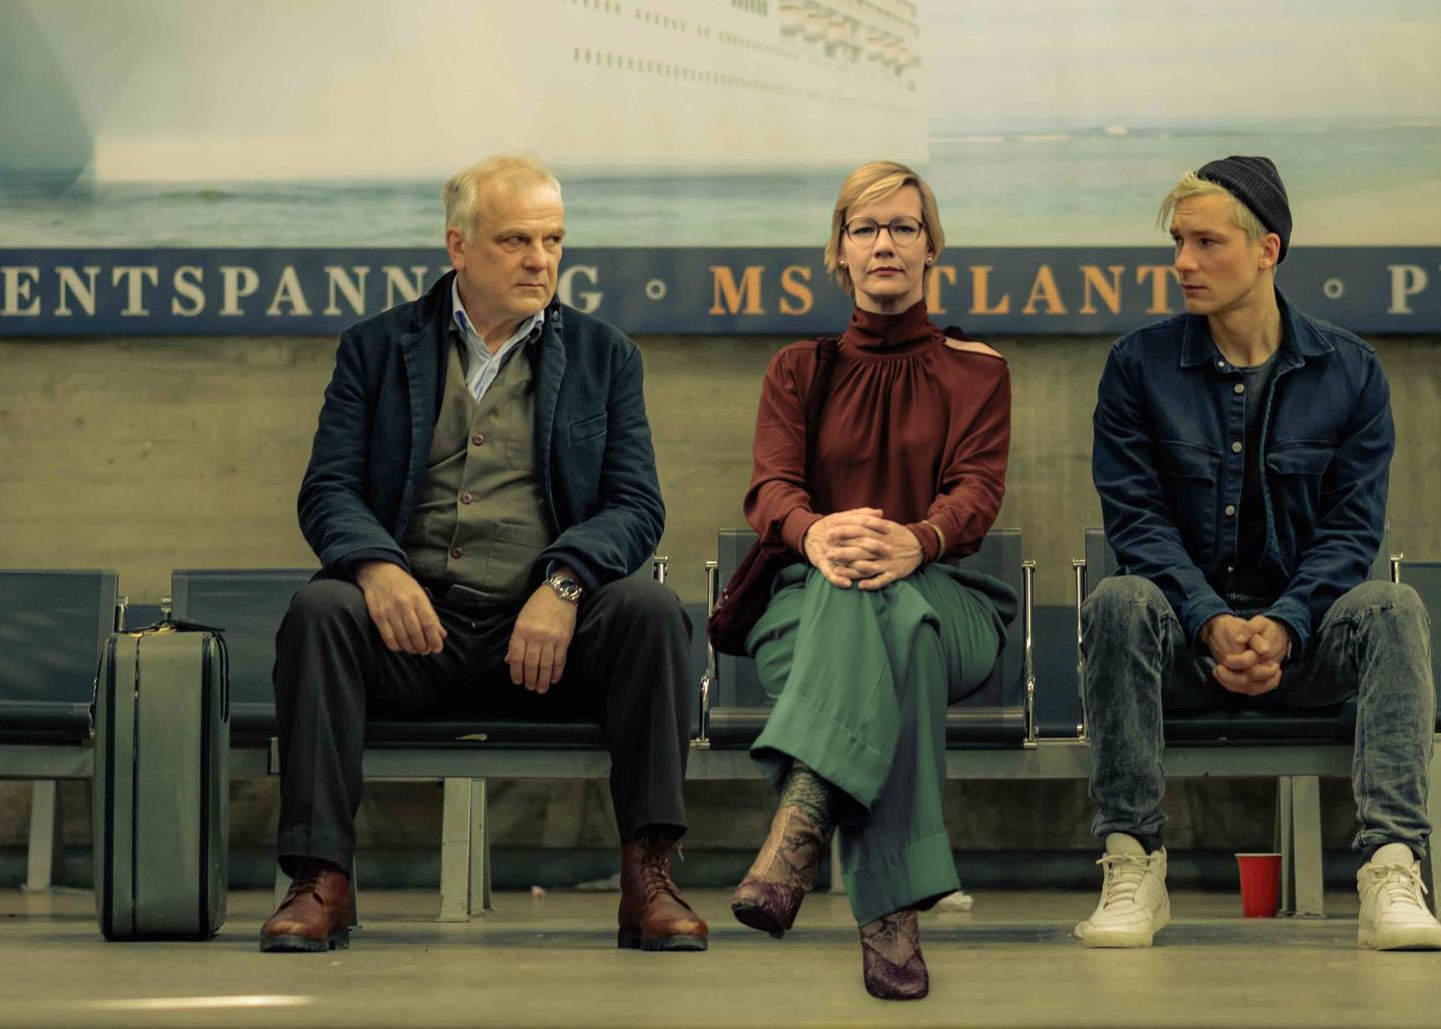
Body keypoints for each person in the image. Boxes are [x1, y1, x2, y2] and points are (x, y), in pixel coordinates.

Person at [262, 154, 705, 954]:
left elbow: (637, 506)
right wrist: (377, 568)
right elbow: (328, 489)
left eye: (553, 240)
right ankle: (320, 879)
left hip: (546, 643)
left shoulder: (605, 357)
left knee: (652, 612)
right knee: (320, 612)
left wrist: (565, 584)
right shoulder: (375, 348)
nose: (541, 260)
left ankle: (650, 876)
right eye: (515, 241)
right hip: (413, 633)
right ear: (458, 245)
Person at [1077, 156, 1441, 953]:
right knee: (1118, 600)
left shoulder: (1350, 371)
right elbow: (1136, 523)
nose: (1184, 262)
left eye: (1207, 242)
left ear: (1267, 249)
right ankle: (1134, 863)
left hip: (1304, 651)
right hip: (1181, 650)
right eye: (1178, 242)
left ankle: (1391, 868)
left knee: (1393, 606)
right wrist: (1210, 621)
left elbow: (1352, 531)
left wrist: (1285, 623)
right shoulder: (1137, 367)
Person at [729, 161, 1014, 1000]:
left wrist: (916, 541)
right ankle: (891, 912)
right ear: (840, 253)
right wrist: (819, 534)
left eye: (903, 227)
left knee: (908, 612)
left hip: (951, 598)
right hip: (805, 609)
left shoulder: (978, 370)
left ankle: (803, 813)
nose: (884, 242)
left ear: (931, 249)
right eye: (865, 228)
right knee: (893, 629)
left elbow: (977, 492)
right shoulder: (797, 369)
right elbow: (771, 489)